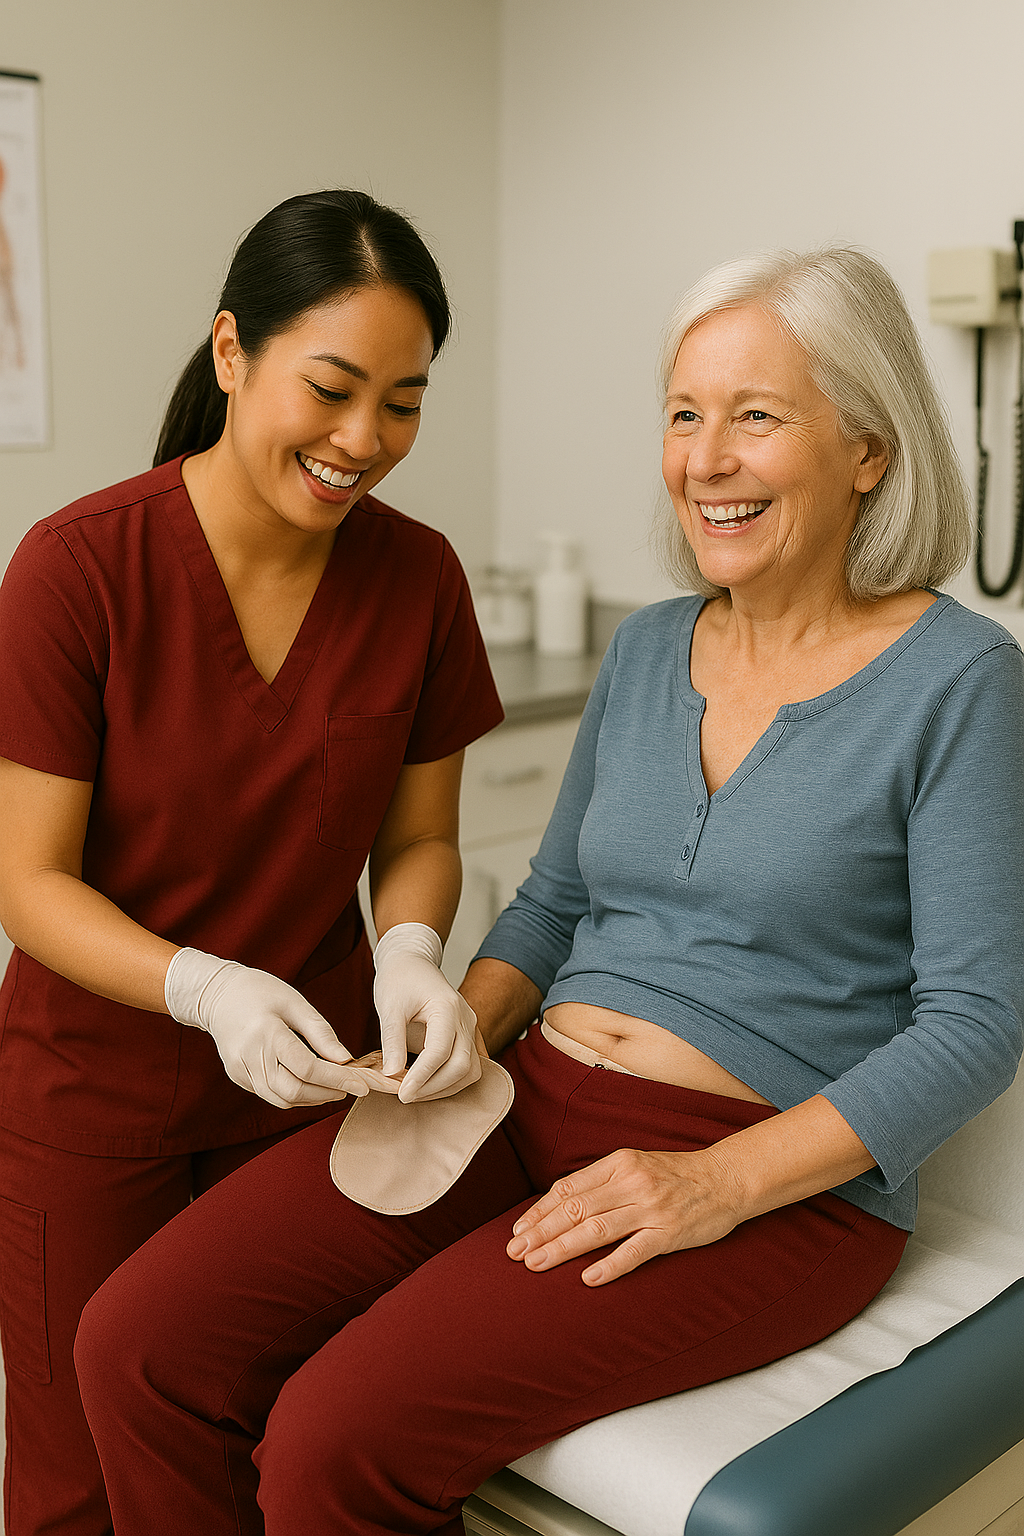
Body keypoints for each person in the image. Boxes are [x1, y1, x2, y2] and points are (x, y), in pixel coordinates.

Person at [75, 247, 1024, 1536]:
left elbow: (975, 1024)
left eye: (757, 415)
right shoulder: (646, 650)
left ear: (870, 447)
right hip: (525, 1098)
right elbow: (552, 906)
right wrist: (456, 1012)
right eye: (685, 415)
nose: (705, 457)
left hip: (769, 1183)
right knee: (141, 1343)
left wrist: (720, 1183)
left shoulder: (960, 683)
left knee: (330, 1445)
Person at [0, 189, 503, 1536]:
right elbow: (28, 881)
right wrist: (202, 987)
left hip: (311, 1092)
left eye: (403, 402)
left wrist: (408, 949)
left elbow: (422, 837)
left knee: (283, 1445)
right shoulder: (76, 571)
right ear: (232, 352)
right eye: (332, 388)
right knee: (85, 1487)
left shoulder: (421, 581)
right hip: (90, 1100)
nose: (363, 442)